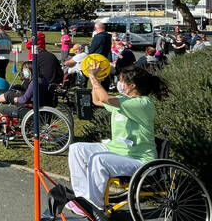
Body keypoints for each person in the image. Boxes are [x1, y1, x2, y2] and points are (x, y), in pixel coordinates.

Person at [66, 65, 169, 216]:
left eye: (121, 80)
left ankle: (95, 206)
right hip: (117, 150)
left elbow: (104, 98)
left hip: (139, 159)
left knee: (98, 160)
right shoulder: (123, 99)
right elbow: (97, 100)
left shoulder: (143, 103)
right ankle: (82, 199)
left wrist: (93, 78)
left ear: (132, 86)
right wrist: (97, 79)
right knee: (76, 149)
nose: (119, 82)